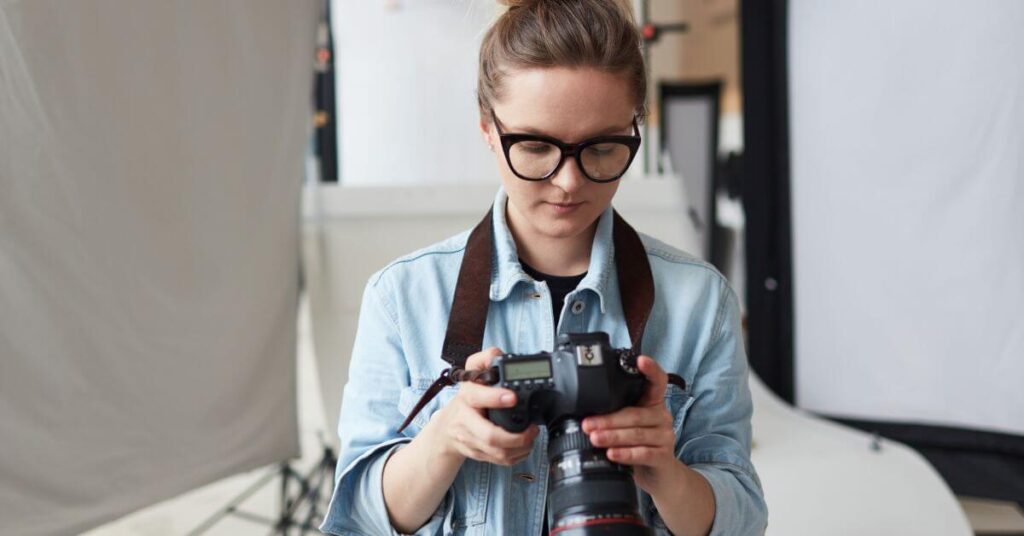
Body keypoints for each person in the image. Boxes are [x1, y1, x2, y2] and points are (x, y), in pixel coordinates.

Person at [319, 1, 767, 534]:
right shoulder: (404, 297)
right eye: (534, 146)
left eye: (602, 148)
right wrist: (447, 439)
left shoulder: (699, 302)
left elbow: (743, 518)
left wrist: (662, 470)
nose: (569, 182)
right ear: (488, 128)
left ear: (635, 129)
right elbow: (356, 519)